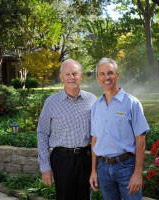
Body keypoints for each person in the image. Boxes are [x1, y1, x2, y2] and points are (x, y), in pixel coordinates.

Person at [89, 58, 150, 200]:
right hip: (103, 168)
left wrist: (137, 173)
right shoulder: (96, 106)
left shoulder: (131, 103)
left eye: (110, 73)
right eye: (102, 74)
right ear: (98, 78)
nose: (106, 77)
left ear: (117, 75)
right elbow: (94, 140)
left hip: (127, 168)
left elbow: (140, 140)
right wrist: (94, 170)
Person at [37, 59, 97, 200]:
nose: (71, 77)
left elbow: (98, 133)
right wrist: (45, 167)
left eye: (75, 74)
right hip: (62, 159)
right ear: (61, 77)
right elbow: (42, 134)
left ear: (81, 76)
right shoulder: (51, 102)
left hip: (85, 158)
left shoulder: (92, 100)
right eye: (67, 74)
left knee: (85, 197)